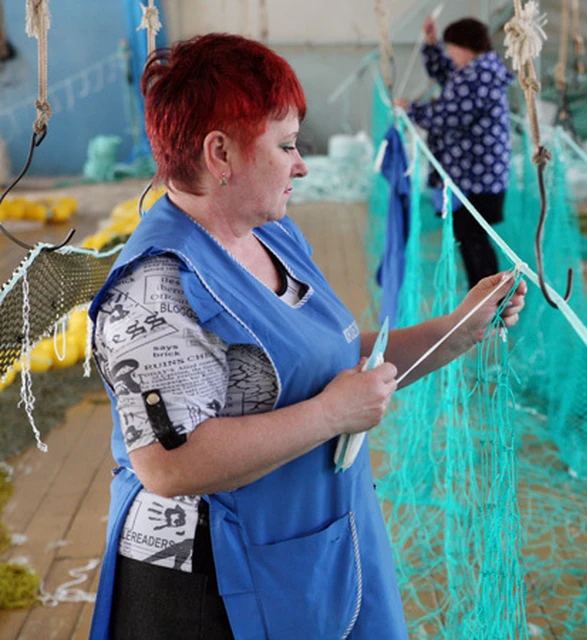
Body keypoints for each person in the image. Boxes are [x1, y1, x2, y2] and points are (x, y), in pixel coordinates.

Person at [87, 33, 526, 640]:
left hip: (308, 547)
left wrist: (455, 331)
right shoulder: (158, 286)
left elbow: (335, 361)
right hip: (207, 587)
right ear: (221, 154)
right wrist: (328, 416)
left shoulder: (271, 236)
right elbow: (169, 463)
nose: (302, 164)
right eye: (287, 145)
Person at [398, 17, 514, 289]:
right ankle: (485, 294)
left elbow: (449, 116)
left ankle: (491, 298)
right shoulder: (473, 70)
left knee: (473, 237)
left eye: (451, 48)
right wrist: (430, 42)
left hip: (476, 176)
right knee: (469, 237)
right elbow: (444, 72)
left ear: (465, 47)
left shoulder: (480, 75)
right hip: (473, 173)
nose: (449, 54)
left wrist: (411, 110)